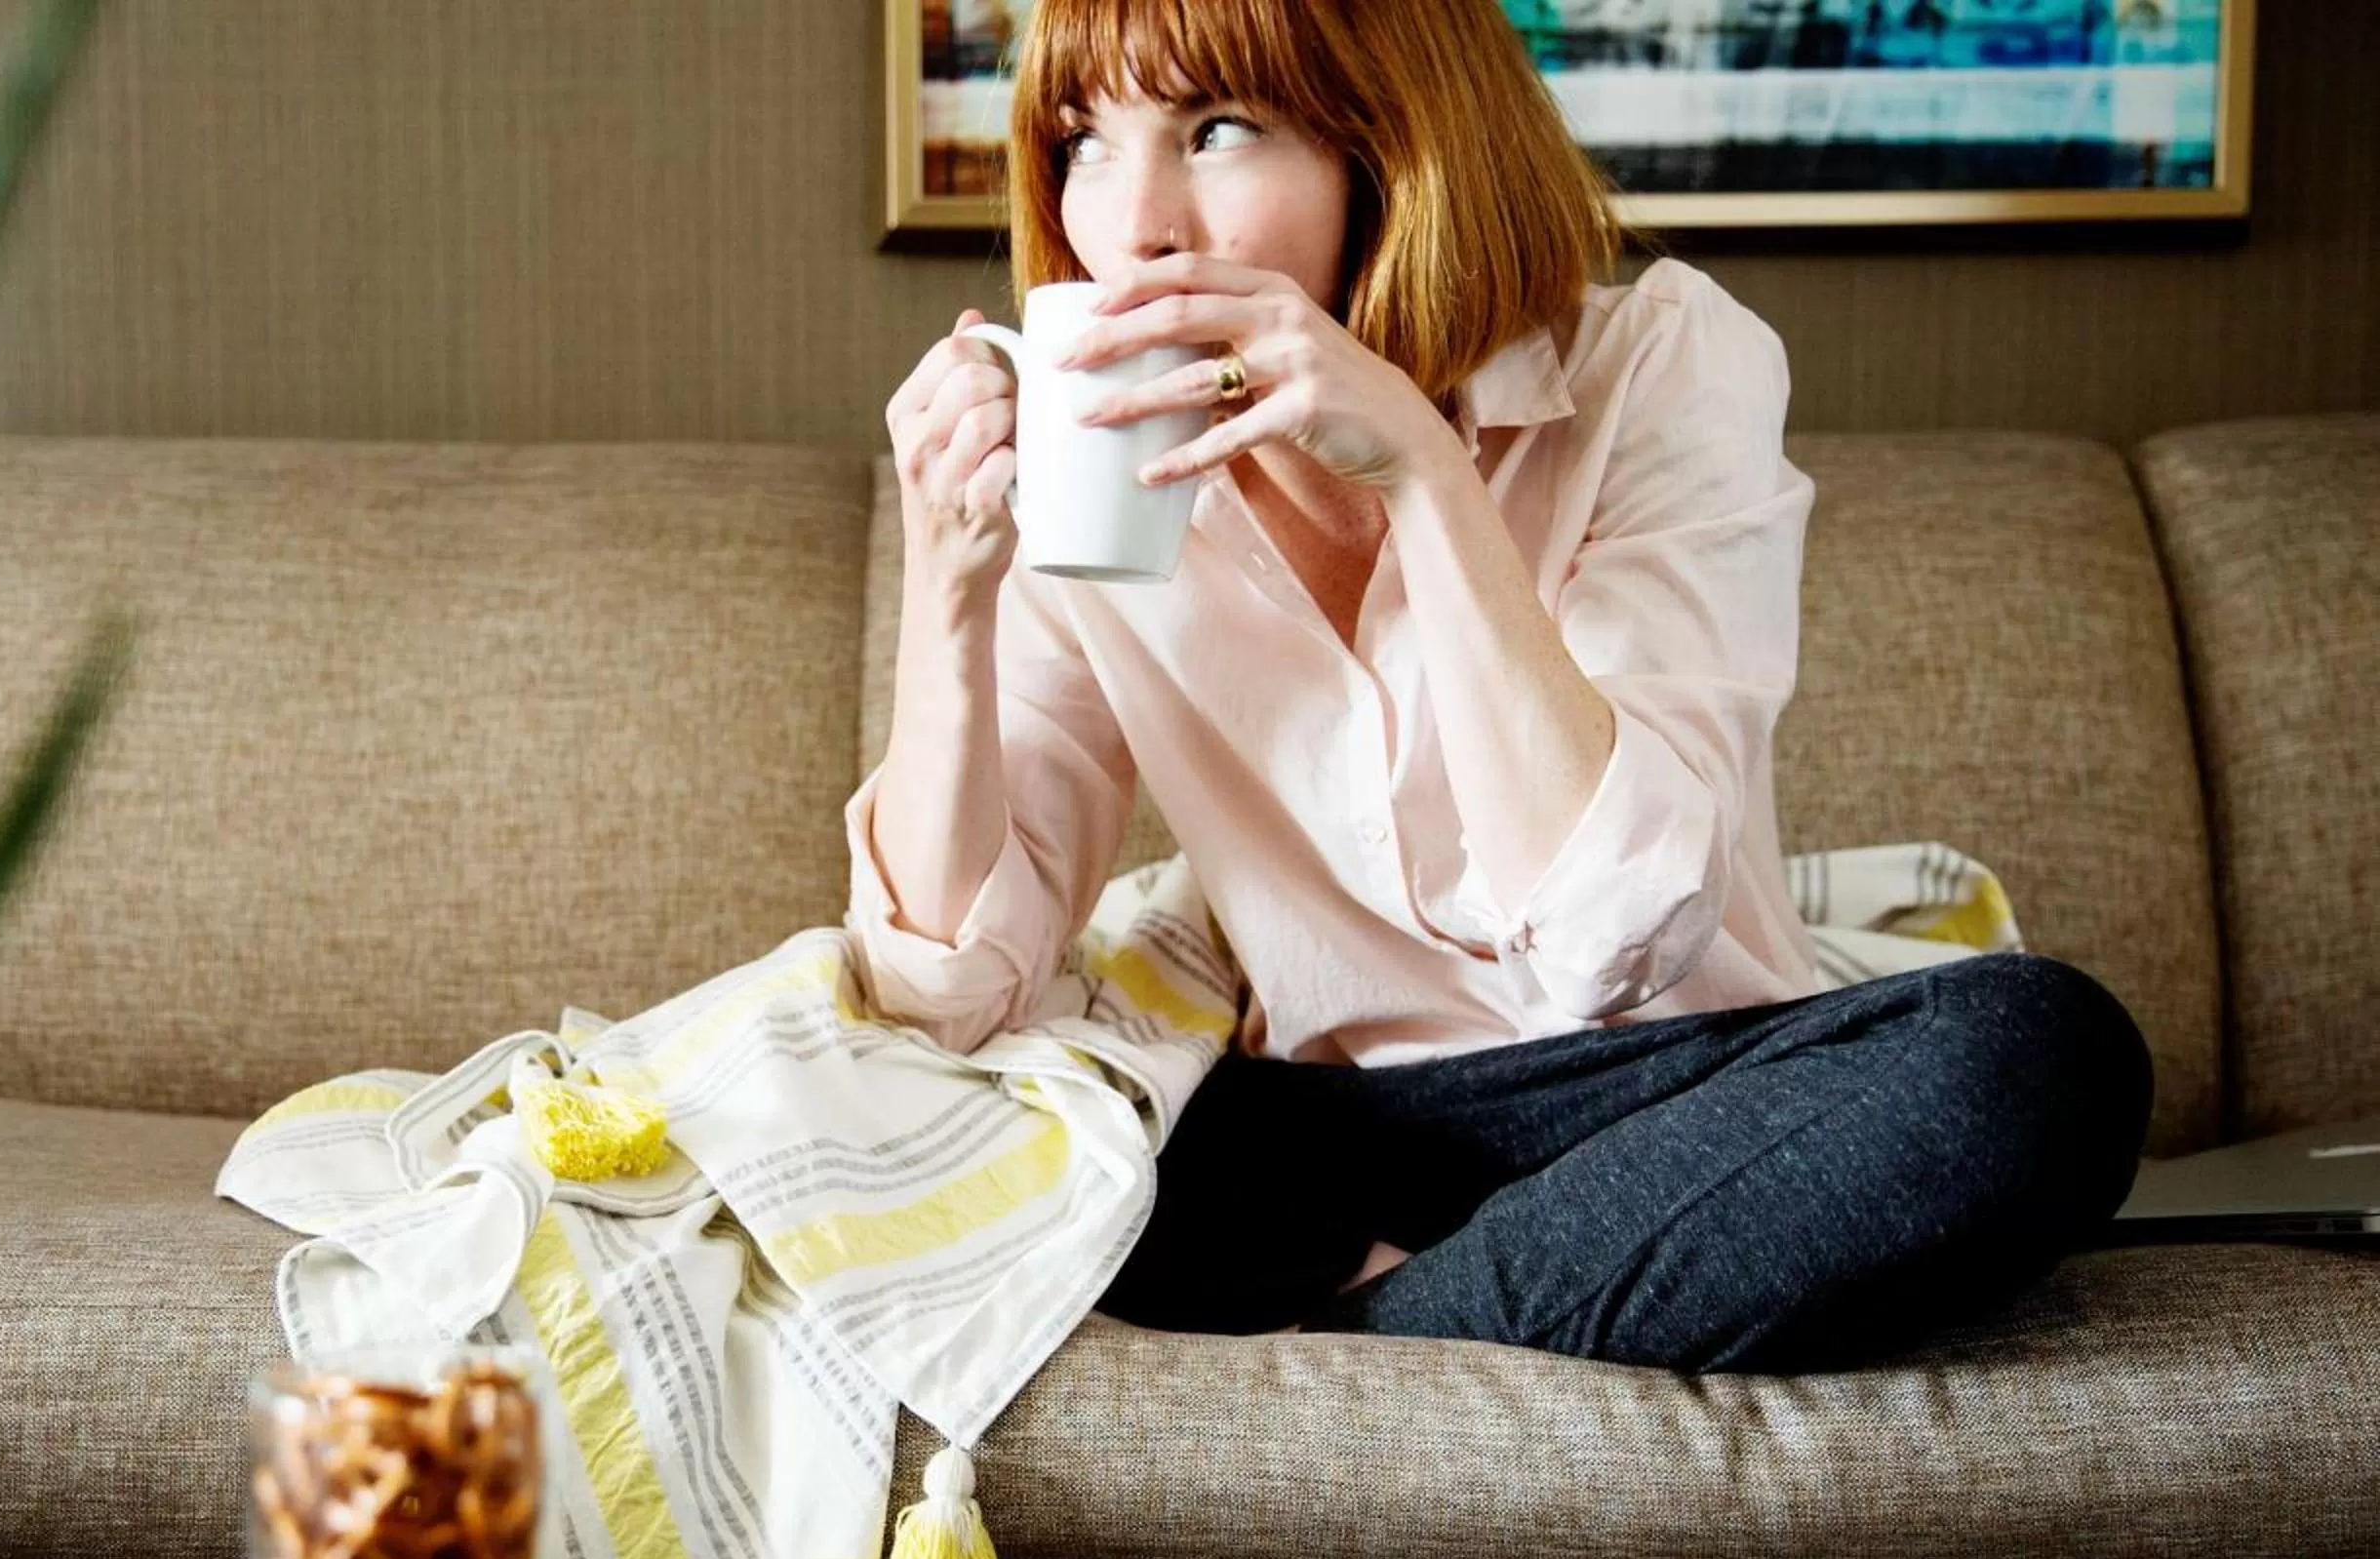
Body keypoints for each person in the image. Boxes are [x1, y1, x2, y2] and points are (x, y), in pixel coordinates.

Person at [850, 0, 2152, 1375]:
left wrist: (1420, 473)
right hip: (1334, 1136)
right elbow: (949, 999)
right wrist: (949, 584)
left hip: (1664, 1095)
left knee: (2035, 1055)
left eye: (1216, 129)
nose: (1135, 226)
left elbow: (1616, 937)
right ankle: (1554, 1298)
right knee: (1039, 1140)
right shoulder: (1096, 462)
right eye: (1084, 142)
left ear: (1390, 144)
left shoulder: (1663, 366)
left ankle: (1366, 1348)